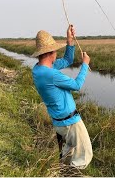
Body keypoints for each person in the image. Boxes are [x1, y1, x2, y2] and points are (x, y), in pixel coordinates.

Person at [31, 25, 93, 169]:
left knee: (68, 152)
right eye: (55, 51)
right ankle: (71, 173)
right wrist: (85, 65)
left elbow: (67, 60)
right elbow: (77, 85)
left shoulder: (39, 69)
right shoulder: (51, 74)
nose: (57, 54)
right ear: (50, 53)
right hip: (70, 123)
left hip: (60, 123)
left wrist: (69, 40)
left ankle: (62, 170)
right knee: (84, 156)